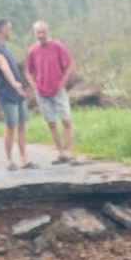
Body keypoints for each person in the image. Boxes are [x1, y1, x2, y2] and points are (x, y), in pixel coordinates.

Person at [0, 19, 33, 171]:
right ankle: (8, 160)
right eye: (9, 29)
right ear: (0, 30)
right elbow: (4, 67)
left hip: (18, 93)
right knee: (11, 126)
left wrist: (21, 88)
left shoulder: (5, 47)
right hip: (7, 94)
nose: (11, 31)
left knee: (22, 126)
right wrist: (14, 84)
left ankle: (24, 159)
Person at [26, 21, 74, 164]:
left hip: (58, 90)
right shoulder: (33, 50)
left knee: (66, 120)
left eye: (43, 32)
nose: (41, 35)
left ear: (48, 31)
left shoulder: (57, 46)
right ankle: (61, 154)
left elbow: (70, 64)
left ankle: (70, 152)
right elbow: (28, 72)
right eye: (38, 32)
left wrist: (63, 83)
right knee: (51, 123)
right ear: (34, 34)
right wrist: (34, 86)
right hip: (42, 92)